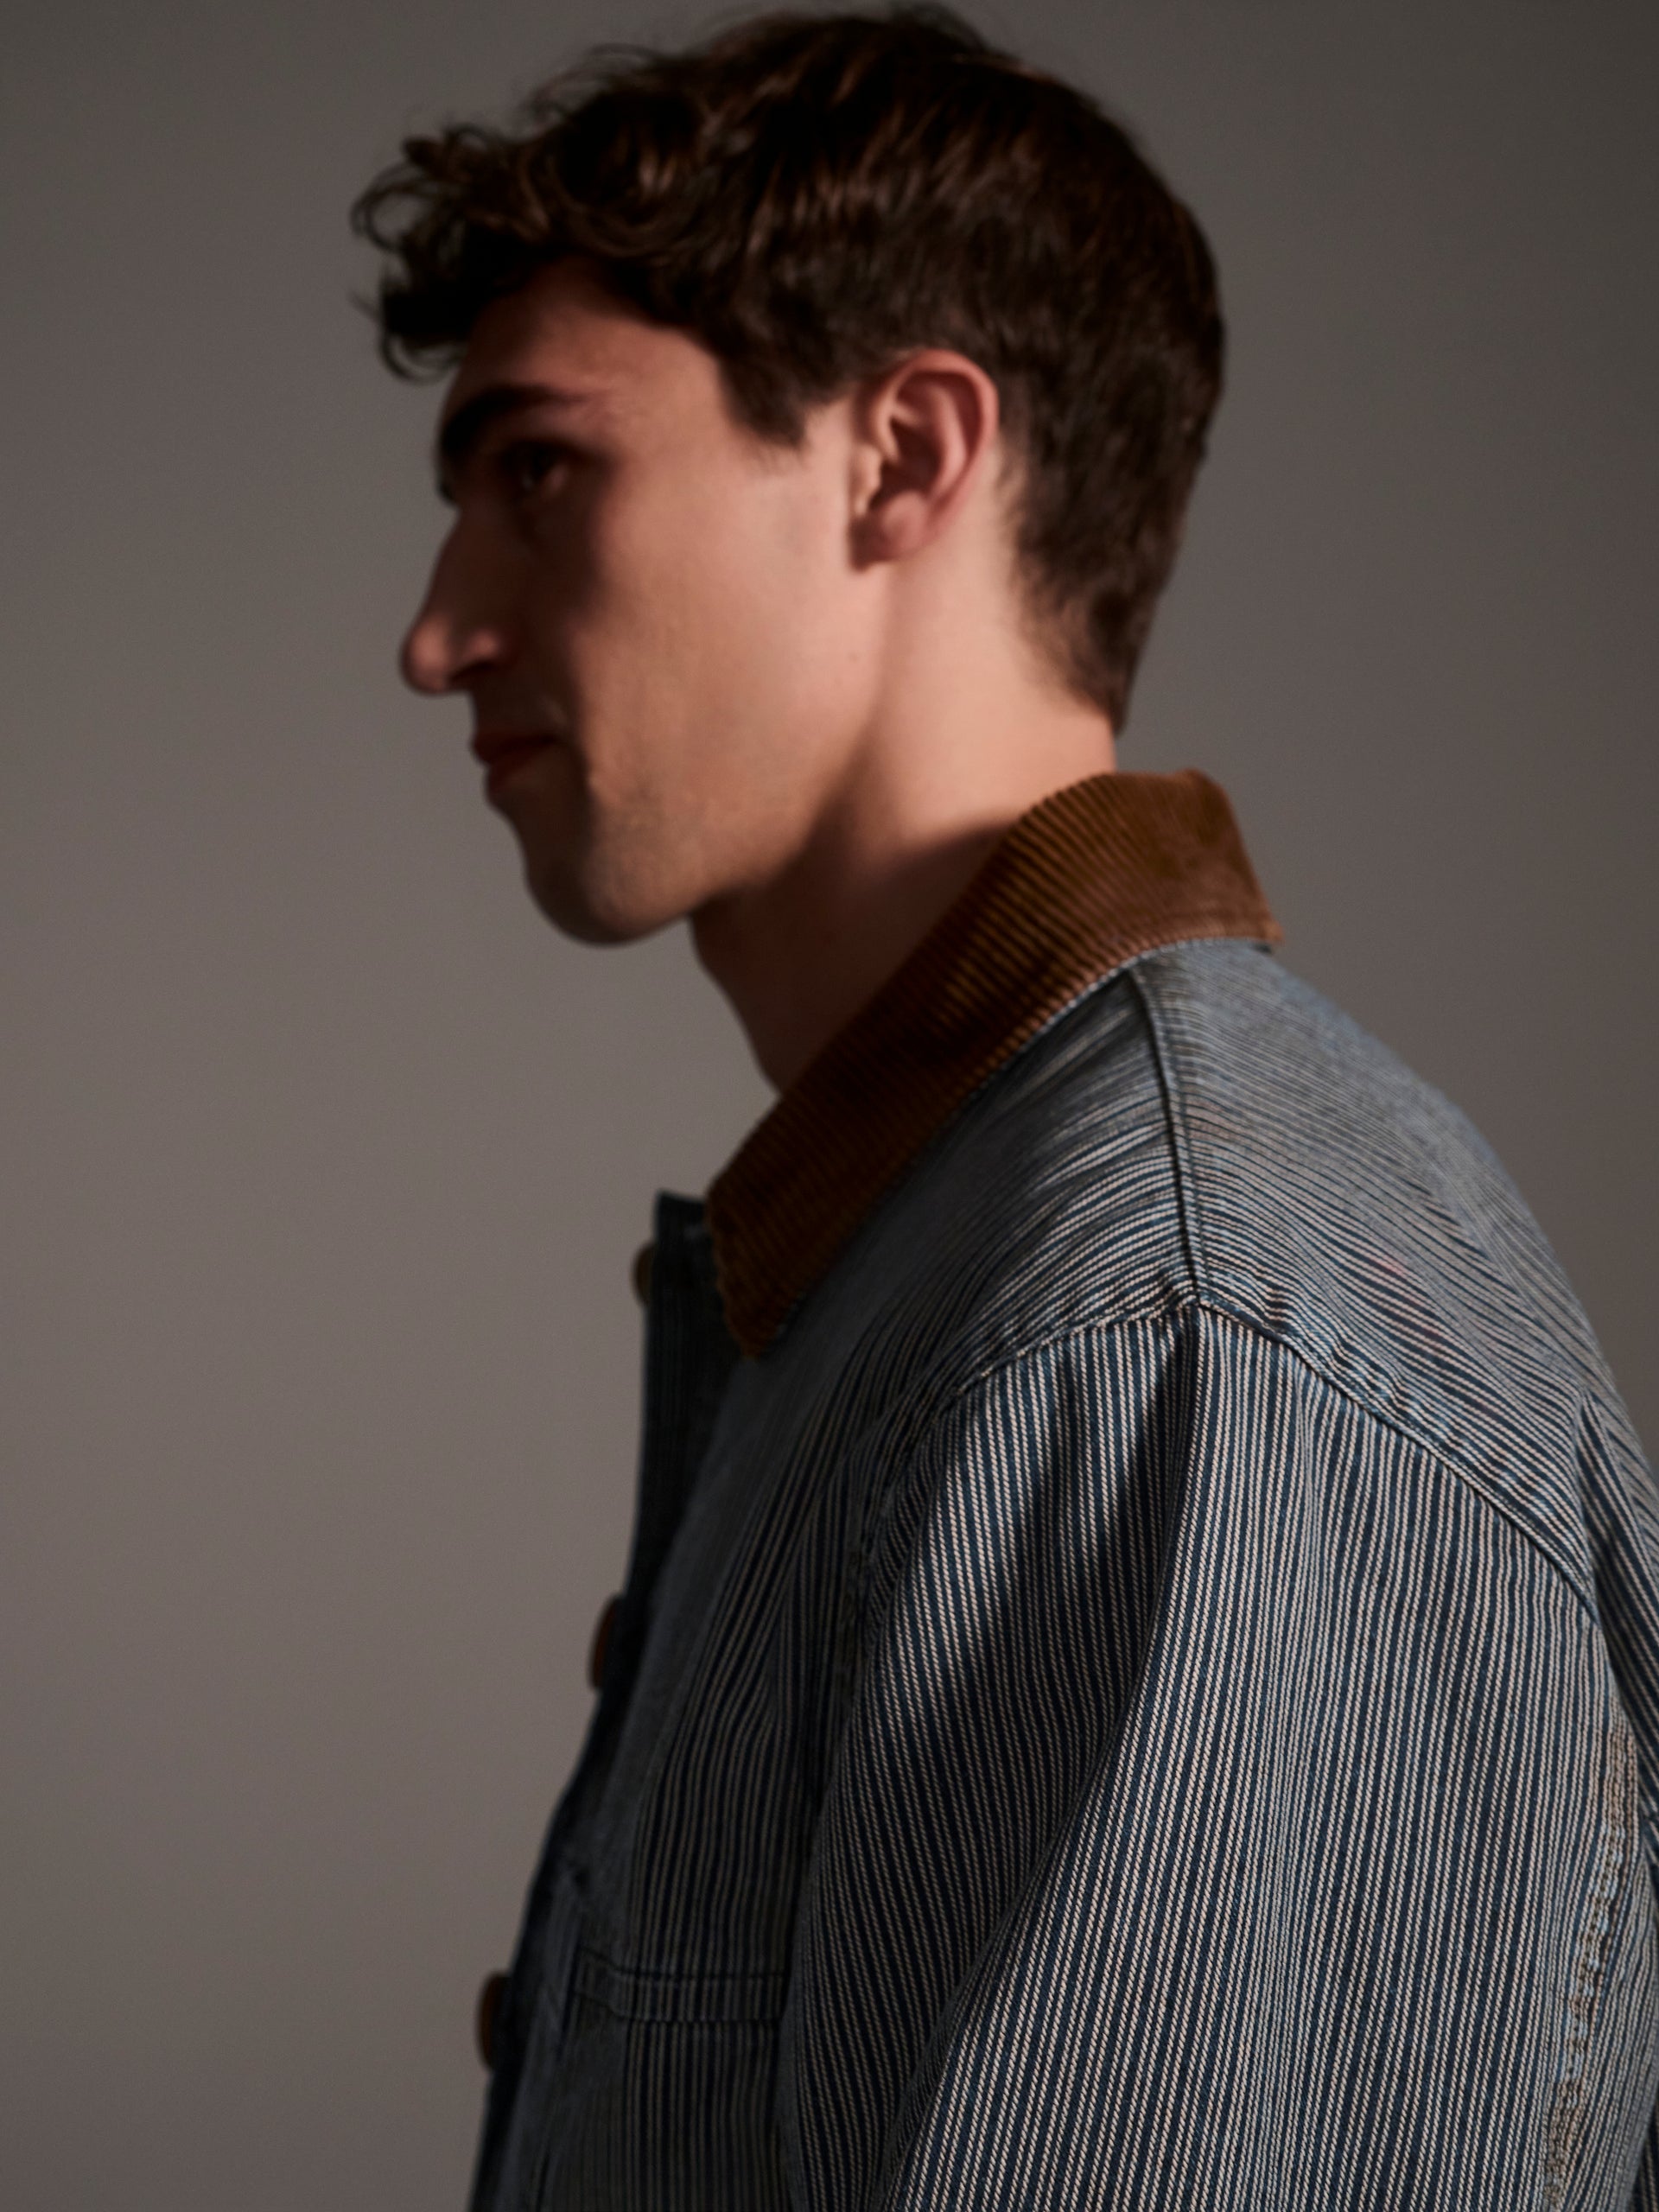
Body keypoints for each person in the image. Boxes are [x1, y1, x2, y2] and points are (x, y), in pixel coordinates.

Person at [354, 10, 1659, 2205]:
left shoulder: (1169, 1323)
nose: (436, 629)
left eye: (540, 468)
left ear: (904, 455)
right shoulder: (972, 1255)